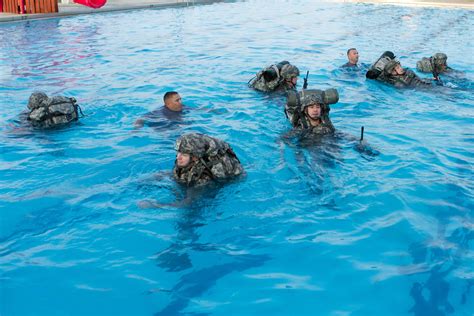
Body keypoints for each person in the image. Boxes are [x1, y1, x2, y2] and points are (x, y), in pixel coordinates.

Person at [172, 133, 244, 187]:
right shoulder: (185, 162)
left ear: (194, 158)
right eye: (178, 152)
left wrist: (162, 205)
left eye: (184, 155)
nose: (178, 157)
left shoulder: (203, 178)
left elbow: (189, 203)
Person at [366, 51, 432, 88]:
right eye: (397, 68)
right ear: (393, 72)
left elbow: (419, 79)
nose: (401, 68)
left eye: (400, 66)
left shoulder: (408, 71)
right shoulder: (399, 84)